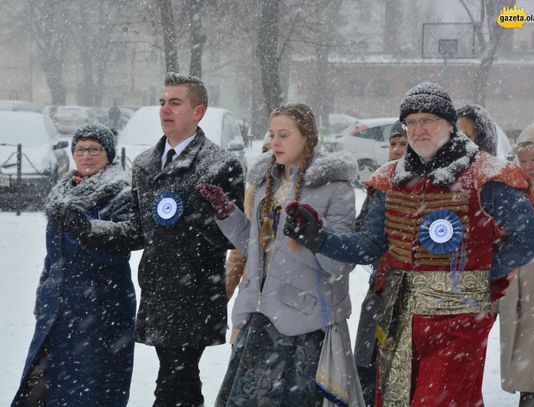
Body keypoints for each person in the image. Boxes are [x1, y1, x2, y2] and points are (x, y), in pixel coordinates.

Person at [284, 82, 534, 406]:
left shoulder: (486, 175)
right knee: (395, 400)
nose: (419, 130)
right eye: (412, 122)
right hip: (399, 319)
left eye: (428, 120)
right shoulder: (390, 177)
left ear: (449, 124)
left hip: (458, 321)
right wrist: (318, 239)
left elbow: (530, 236)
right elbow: (369, 246)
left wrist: (483, 274)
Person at [57, 73, 245, 407]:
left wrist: (206, 216)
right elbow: (138, 231)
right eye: (162, 102)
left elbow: (233, 238)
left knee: (174, 378)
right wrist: (91, 229)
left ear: (198, 112)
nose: (165, 110)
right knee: (180, 379)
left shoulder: (221, 164)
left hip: (197, 290)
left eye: (175, 102)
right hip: (158, 288)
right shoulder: (144, 164)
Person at [197, 103, 360, 406]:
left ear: (308, 137)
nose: (275, 142)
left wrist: (316, 236)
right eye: (272, 134)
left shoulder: (335, 187)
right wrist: (227, 213)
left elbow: (340, 263)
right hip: (259, 318)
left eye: (284, 134)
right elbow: (254, 248)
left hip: (304, 324)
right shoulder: (265, 182)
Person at [12, 124, 136, 406]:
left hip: (101, 310)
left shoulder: (121, 193)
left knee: (93, 388)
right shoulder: (62, 194)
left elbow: (120, 247)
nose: (87, 155)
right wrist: (43, 295)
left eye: (95, 149)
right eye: (80, 149)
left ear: (109, 153)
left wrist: (85, 230)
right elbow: (52, 256)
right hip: (57, 310)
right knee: (42, 388)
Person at [354, 120, 407, 407]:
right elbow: (361, 231)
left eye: (403, 145)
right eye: (393, 144)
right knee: (366, 364)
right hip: (378, 290)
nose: (397, 150)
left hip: (411, 296)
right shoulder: (380, 183)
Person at [499, 122, 534, 407]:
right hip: (521, 291)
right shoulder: (512, 193)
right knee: (528, 362)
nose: (529, 166)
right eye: (523, 160)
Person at [225, 130, 272, 303]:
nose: (270, 156)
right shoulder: (253, 192)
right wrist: (222, 297)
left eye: (275, 150)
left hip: (287, 305)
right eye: (265, 151)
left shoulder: (305, 193)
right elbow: (240, 251)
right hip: (250, 297)